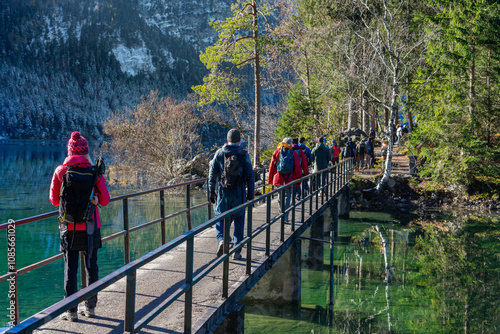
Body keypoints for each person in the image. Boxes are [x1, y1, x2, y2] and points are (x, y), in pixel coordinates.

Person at [49, 131, 110, 322]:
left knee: (70, 269)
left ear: (69, 151)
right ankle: (90, 308)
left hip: (70, 228)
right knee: (91, 267)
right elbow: (106, 200)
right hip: (91, 227)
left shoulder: (61, 171)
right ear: (85, 152)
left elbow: (53, 201)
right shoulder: (94, 171)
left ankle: (71, 311)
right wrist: (94, 198)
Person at [208, 129, 254, 260]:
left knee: (220, 219)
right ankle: (237, 251)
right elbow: (249, 175)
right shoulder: (244, 154)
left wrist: (211, 191)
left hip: (223, 193)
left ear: (228, 140)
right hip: (239, 195)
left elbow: (212, 174)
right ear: (239, 140)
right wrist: (251, 194)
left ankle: (222, 240)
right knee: (239, 222)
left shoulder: (220, 153)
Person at [268, 138, 302, 224]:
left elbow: (272, 166)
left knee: (280, 197)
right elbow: (297, 168)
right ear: (290, 144)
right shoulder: (293, 153)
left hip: (278, 178)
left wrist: (270, 179)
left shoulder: (277, 152)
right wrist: (298, 181)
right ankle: (285, 217)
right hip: (289, 179)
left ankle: (280, 214)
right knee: (287, 197)